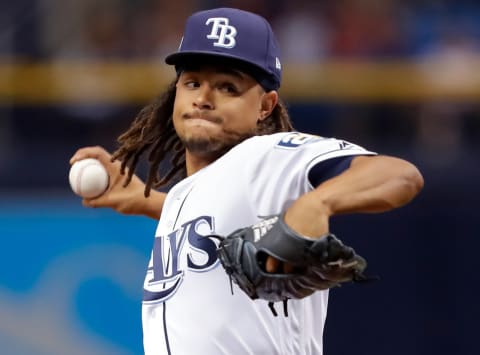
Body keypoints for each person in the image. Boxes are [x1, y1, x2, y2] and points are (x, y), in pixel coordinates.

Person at [70, 7, 424, 355]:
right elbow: (217, 227)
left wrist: (316, 203)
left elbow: (398, 175)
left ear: (265, 107)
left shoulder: (271, 154)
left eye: (228, 87)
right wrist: (146, 200)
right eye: (193, 82)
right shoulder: (186, 194)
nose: (204, 98)